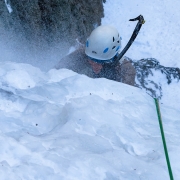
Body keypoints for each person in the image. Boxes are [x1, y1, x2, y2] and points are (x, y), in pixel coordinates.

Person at [55, 25, 136, 86]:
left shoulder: (126, 70)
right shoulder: (83, 54)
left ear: (111, 58)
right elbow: (56, 71)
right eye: (91, 60)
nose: (95, 65)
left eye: (99, 62)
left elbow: (126, 97)